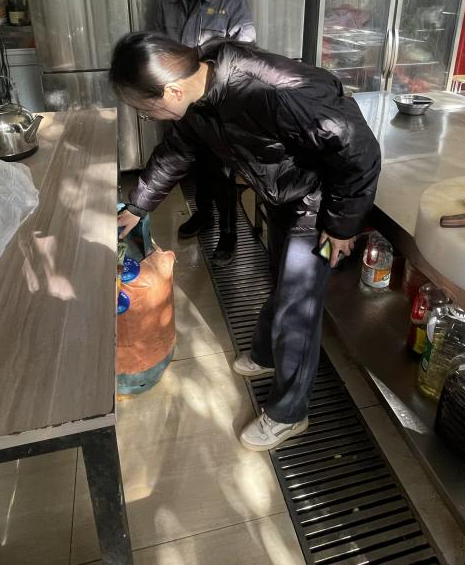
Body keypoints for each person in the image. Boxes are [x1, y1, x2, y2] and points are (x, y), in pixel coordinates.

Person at [113, 33, 381, 452]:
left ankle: (290, 413)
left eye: (147, 111)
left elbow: (360, 151)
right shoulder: (199, 97)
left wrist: (342, 226)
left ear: (172, 90)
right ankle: (267, 353)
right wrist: (137, 205)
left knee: (299, 305)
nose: (151, 118)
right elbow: (177, 151)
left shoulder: (271, 92)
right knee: (283, 284)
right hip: (284, 197)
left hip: (323, 209)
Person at [154, 0, 254, 267]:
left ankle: (229, 232)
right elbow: (163, 50)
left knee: (221, 171)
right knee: (194, 165)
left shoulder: (233, 4)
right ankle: (204, 214)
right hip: (182, 106)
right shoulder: (167, 2)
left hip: (219, 107)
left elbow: (245, 60)